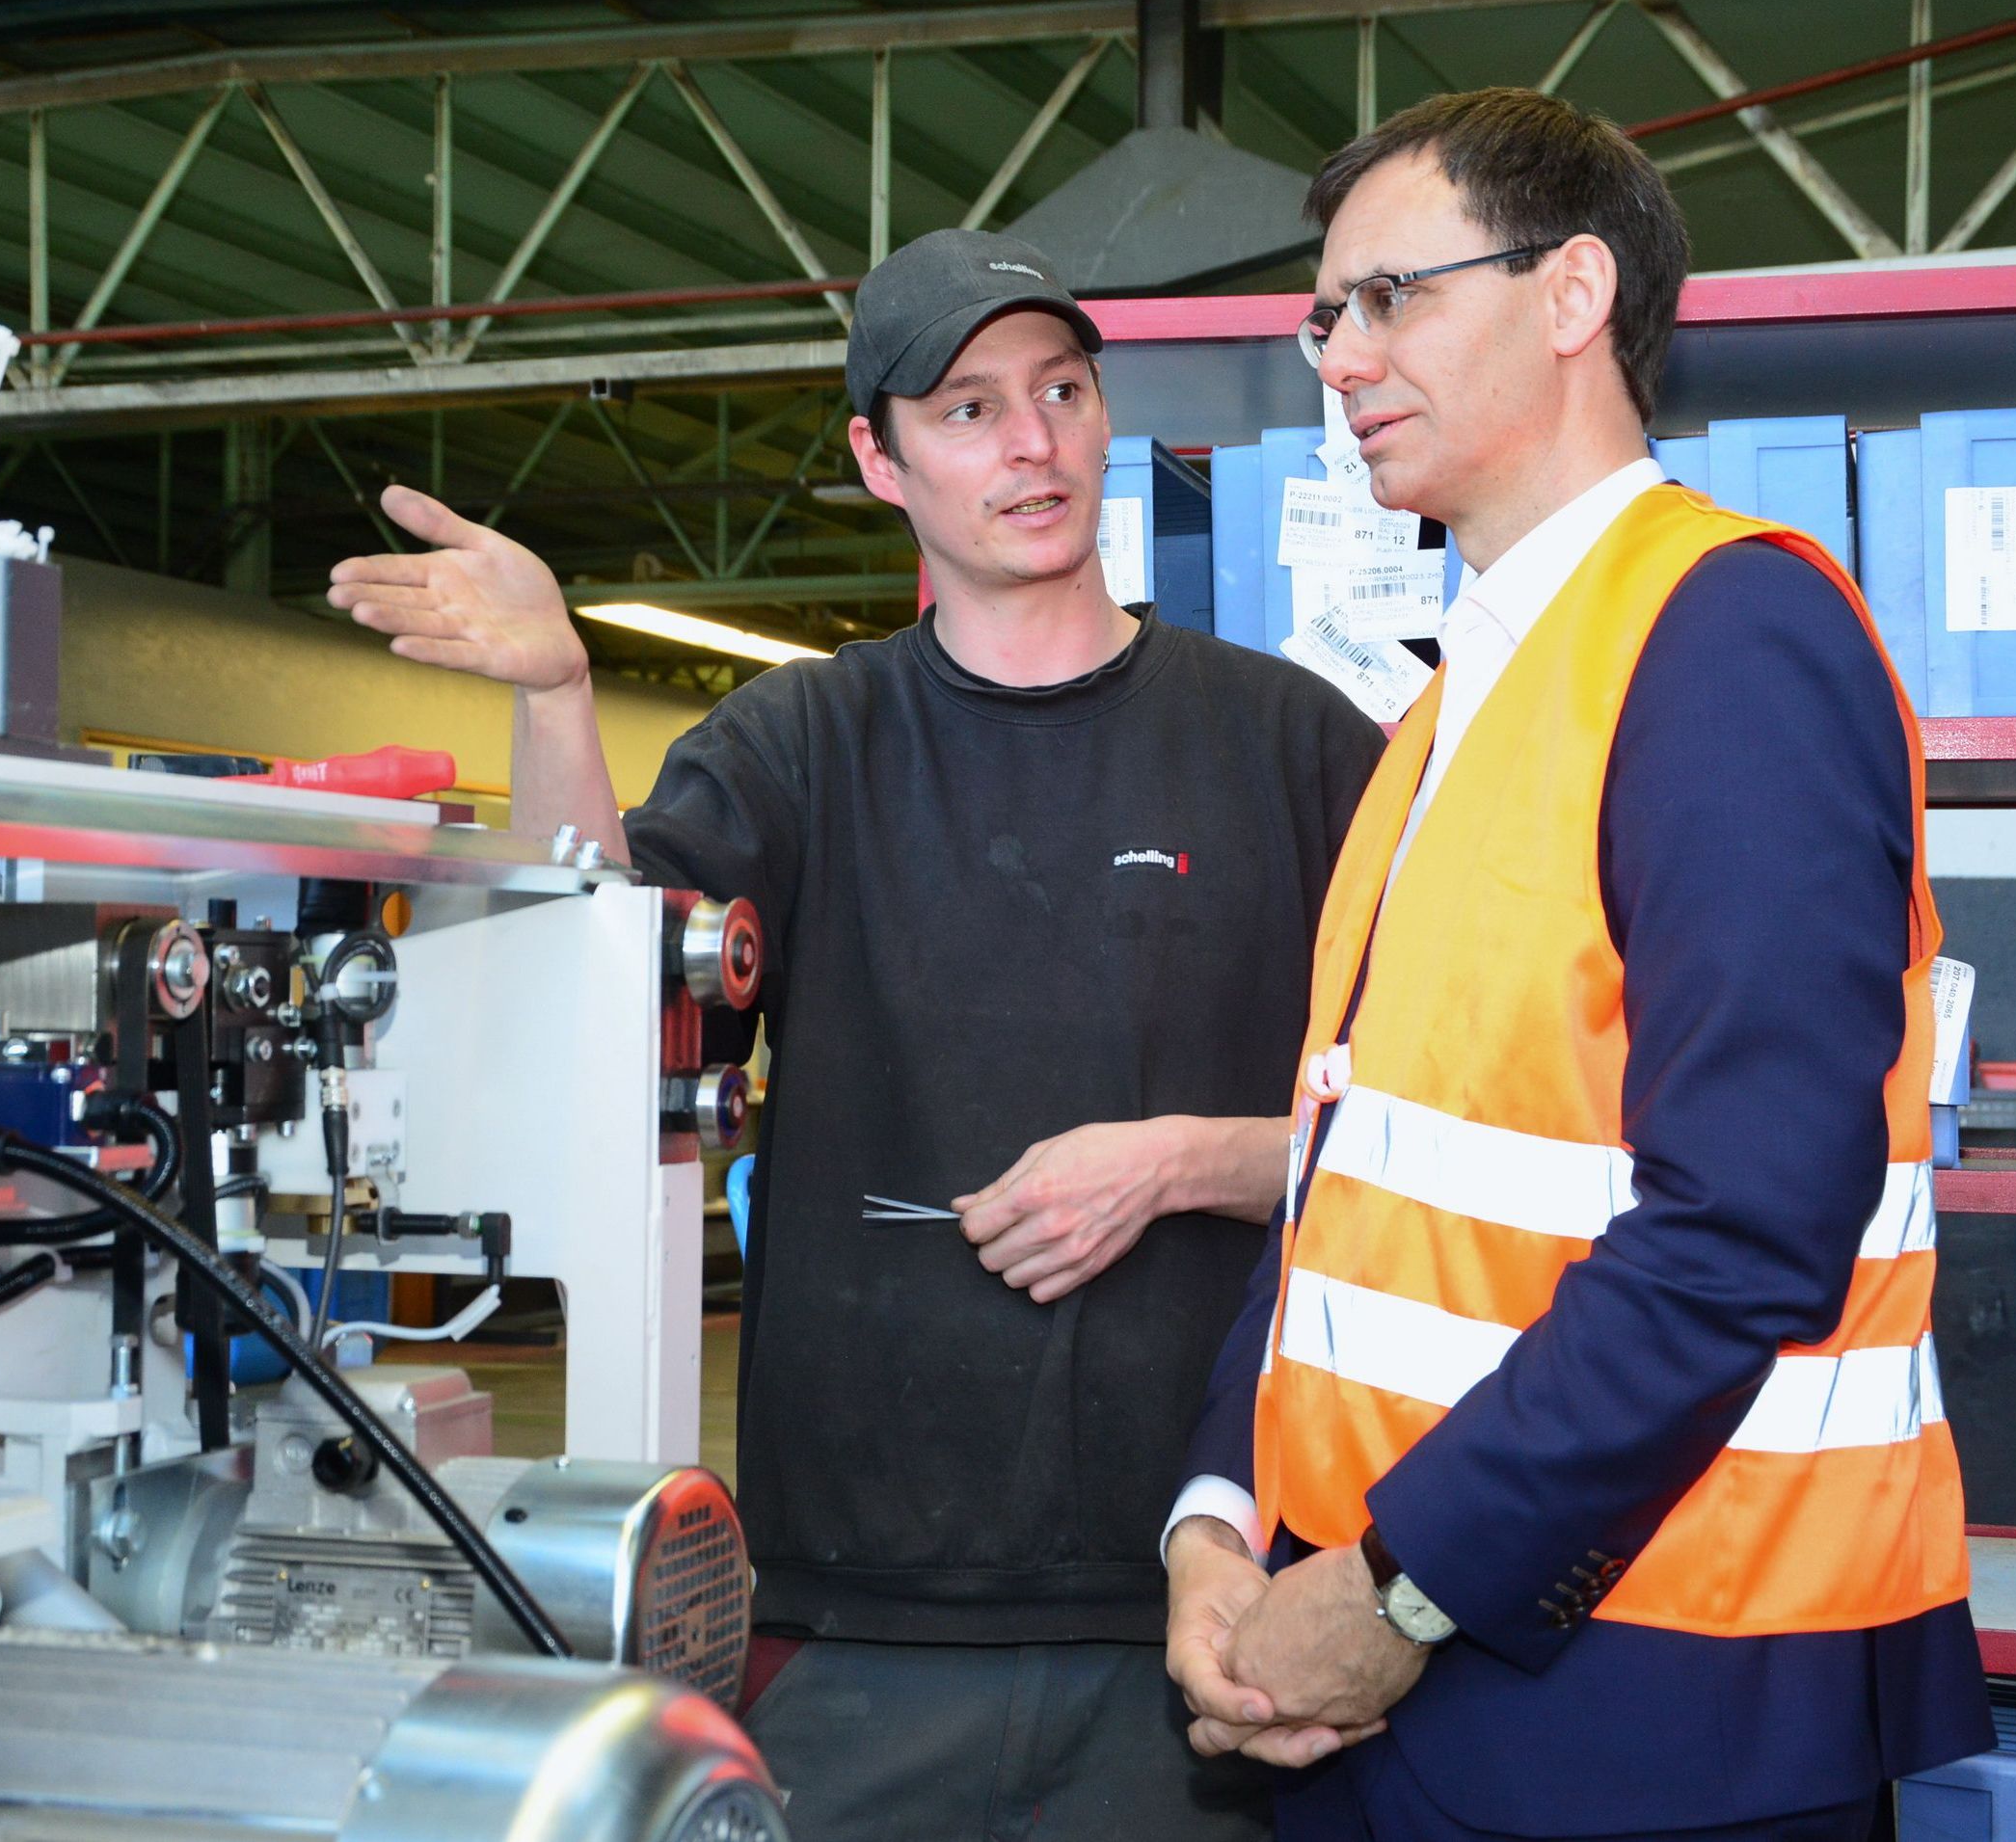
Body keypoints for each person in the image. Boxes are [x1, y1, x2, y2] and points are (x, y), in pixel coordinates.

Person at [328, 227, 1386, 1841]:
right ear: (877, 462)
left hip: (1205, 1605)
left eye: (1060, 392)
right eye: (967, 410)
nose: (1030, 444)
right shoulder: (801, 746)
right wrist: (554, 701)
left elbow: (1434, 1123)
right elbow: (615, 1018)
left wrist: (1192, 1160)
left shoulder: (1297, 744)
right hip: (856, 1622)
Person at [1164, 88, 1993, 1841]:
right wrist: (1218, 1523)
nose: (1338, 357)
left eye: (1392, 297)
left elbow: (1747, 1221)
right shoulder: (1449, 705)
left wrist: (1399, 1588)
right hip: (1376, 1674)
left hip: (1650, 1703)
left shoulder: (1727, 637)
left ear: (1571, 294)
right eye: (1326, 315)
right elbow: (1340, 1181)